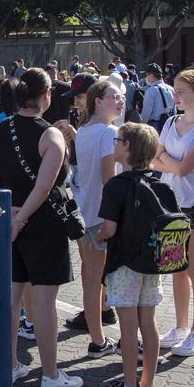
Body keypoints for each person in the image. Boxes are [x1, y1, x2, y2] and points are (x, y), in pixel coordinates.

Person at [0, 67, 84, 387]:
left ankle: (10, 364)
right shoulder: (51, 135)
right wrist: (22, 216)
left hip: (6, 224)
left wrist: (8, 212)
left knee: (13, 298)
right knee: (43, 302)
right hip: (43, 225)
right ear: (46, 95)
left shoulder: (1, 128)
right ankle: (50, 375)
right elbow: (45, 186)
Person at [95, 122, 170, 387]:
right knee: (148, 324)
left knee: (128, 327)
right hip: (152, 263)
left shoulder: (116, 185)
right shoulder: (159, 184)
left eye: (118, 140)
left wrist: (98, 238)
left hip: (125, 264)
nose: (114, 144)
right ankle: (147, 386)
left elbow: (110, 229)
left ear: (127, 147)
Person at [150, 68, 194, 357]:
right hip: (169, 204)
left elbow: (185, 168)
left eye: (181, 91)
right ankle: (179, 326)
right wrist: (168, 162)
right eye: (175, 90)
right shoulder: (170, 122)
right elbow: (154, 160)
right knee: (175, 268)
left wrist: (167, 161)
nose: (175, 96)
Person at [64, 79, 124, 356]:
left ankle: (97, 339)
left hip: (87, 212)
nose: (120, 101)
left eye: (121, 96)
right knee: (118, 280)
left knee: (92, 277)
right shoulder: (109, 133)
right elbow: (109, 179)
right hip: (106, 216)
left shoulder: (85, 131)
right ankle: (116, 339)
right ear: (98, 102)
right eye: (114, 96)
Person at [140, 64, 175, 132]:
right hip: (169, 124)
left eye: (147, 75)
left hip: (154, 125)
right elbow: (174, 109)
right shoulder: (171, 89)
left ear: (152, 75)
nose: (146, 77)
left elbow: (147, 111)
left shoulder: (151, 91)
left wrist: (142, 125)